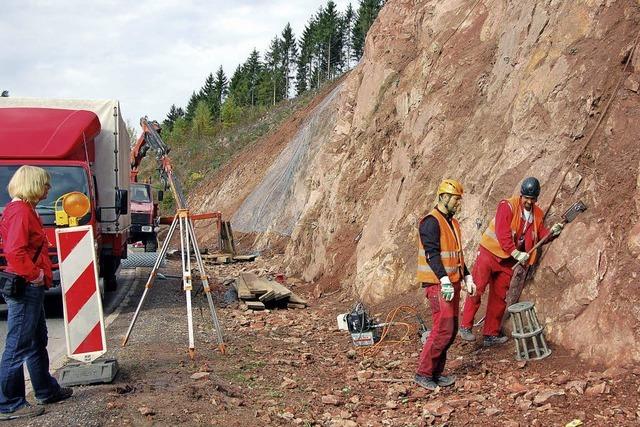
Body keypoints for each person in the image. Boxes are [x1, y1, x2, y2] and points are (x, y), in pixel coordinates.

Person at [0, 166, 73, 421]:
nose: (48, 189)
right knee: (19, 344)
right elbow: (15, 252)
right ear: (32, 184)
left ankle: (45, 389)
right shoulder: (21, 212)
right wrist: (36, 275)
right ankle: (9, 403)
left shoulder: (18, 209)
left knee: (34, 340)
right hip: (26, 285)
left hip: (28, 285)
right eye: (44, 184)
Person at [458, 177, 564, 346]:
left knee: (499, 297)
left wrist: (552, 233)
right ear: (521, 195)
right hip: (489, 252)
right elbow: (502, 233)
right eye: (526, 198)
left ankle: (490, 334)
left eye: (532, 199)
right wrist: (515, 252)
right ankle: (465, 326)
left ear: (536, 198)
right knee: (477, 288)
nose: (528, 202)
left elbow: (540, 234)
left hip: (508, 261)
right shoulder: (507, 206)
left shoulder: (537, 214)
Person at [414, 179, 476, 391]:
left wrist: (466, 276)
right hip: (439, 286)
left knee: (450, 330)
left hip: (451, 283)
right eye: (455, 200)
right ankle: (423, 373)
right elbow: (432, 255)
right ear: (443, 198)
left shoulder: (452, 222)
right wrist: (444, 280)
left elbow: (456, 256)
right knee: (443, 329)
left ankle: (435, 373)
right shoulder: (431, 222)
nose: (458, 204)